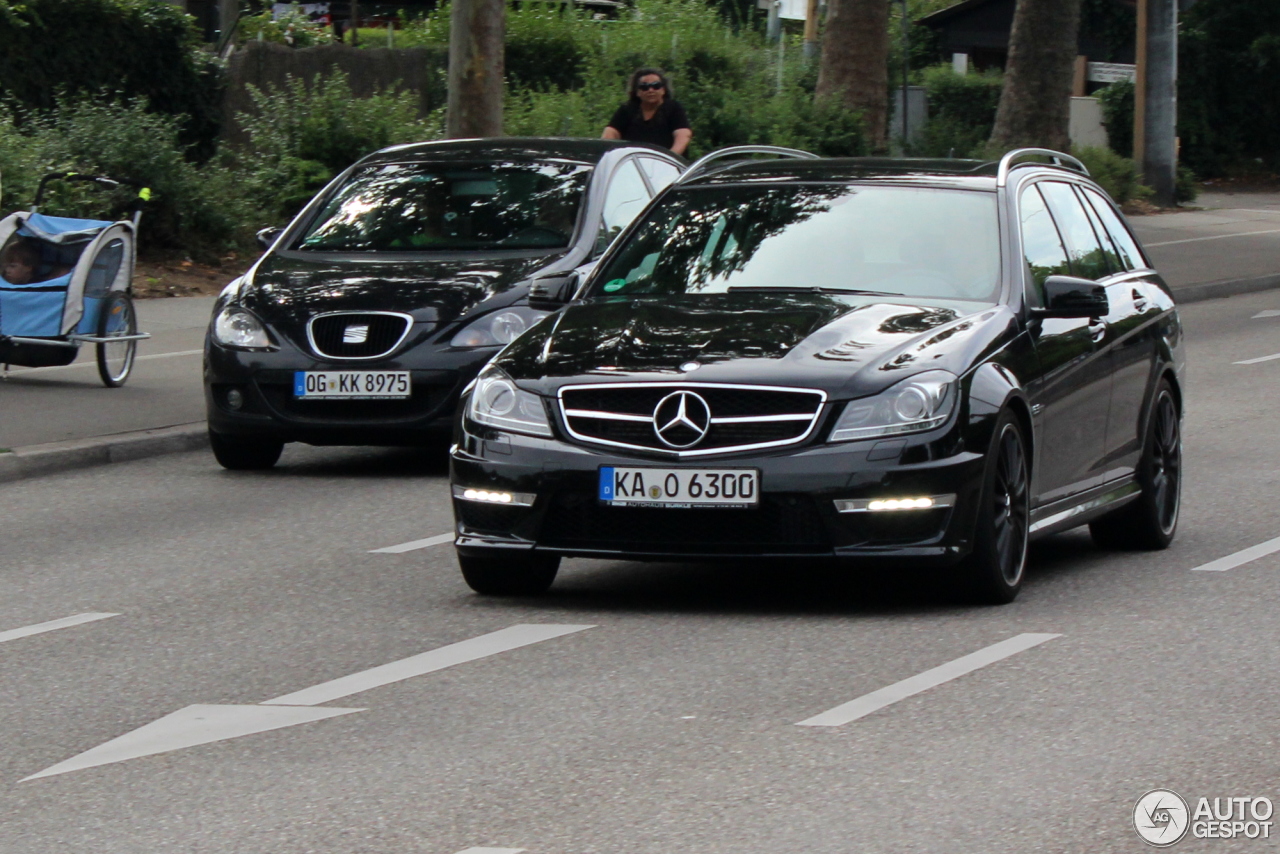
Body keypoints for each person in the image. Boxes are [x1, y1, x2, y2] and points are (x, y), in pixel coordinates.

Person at [602, 67, 692, 156]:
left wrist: (670, 157)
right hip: (633, 163)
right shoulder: (627, 110)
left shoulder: (674, 108)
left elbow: (683, 135)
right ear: (637, 92)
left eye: (656, 86)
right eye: (644, 87)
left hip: (667, 163)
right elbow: (611, 133)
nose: (650, 90)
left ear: (663, 90)